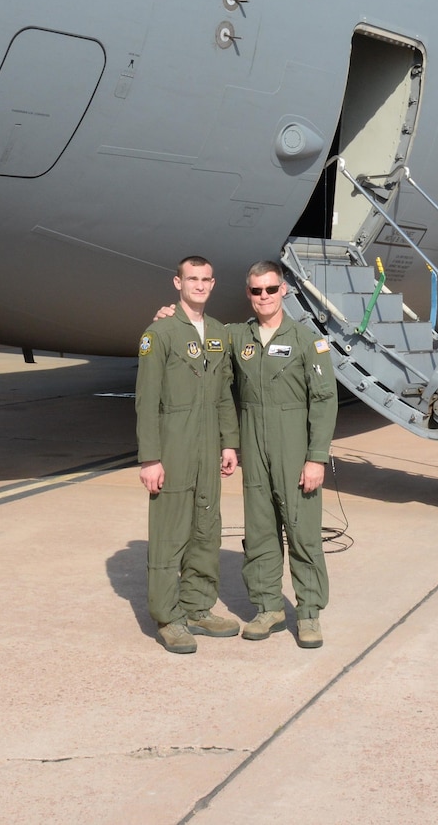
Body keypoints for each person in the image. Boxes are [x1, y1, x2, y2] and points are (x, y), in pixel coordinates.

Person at [227, 260, 337, 649]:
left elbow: (324, 400)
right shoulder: (238, 337)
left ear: (283, 290)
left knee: (303, 531)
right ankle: (268, 607)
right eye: (256, 291)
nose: (264, 297)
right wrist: (169, 316)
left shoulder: (308, 340)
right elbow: (200, 339)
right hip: (254, 443)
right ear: (248, 293)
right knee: (258, 531)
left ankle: (308, 613)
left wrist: (316, 457)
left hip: (294, 446)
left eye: (270, 289)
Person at [135, 255, 240, 654]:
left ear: (213, 284)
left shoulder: (218, 332)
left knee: (205, 530)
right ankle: (168, 616)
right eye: (191, 279)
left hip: (209, 446)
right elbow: (146, 401)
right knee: (169, 534)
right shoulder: (159, 333)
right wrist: (150, 458)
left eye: (205, 279)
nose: (199, 285)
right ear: (177, 283)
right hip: (173, 447)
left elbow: (224, 393)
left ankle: (198, 607)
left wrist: (229, 442)